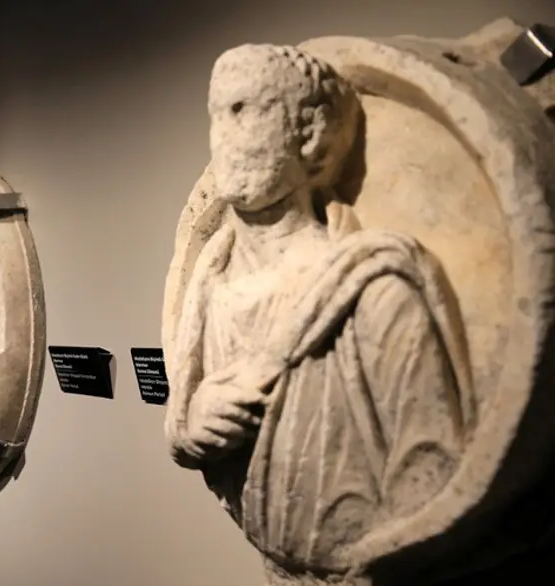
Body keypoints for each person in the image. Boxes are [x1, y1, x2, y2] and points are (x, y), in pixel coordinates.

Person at [164, 44, 475, 569]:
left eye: (244, 110)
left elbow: (429, 465)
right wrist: (190, 427)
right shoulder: (208, 284)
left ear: (309, 133)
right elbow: (185, 426)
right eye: (217, 115)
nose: (224, 137)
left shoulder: (375, 285)